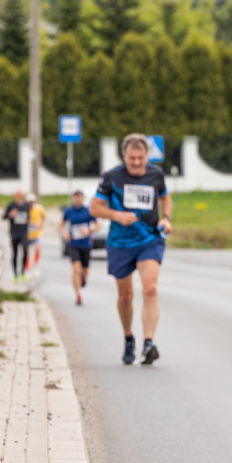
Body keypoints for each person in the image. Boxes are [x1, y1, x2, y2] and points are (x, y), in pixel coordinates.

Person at [88, 133, 172, 365]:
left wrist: (166, 218)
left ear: (147, 156)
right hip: (120, 243)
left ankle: (148, 343)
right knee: (125, 296)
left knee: (151, 289)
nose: (136, 163)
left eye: (141, 158)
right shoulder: (112, 178)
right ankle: (128, 339)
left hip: (149, 240)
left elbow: (166, 198)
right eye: (132, 159)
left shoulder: (156, 174)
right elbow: (94, 208)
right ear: (124, 156)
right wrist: (118, 216)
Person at [59, 189, 98, 306]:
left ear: (83, 198)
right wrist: (64, 233)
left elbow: (98, 224)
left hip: (85, 244)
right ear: (73, 198)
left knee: (85, 270)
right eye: (75, 197)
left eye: (80, 197)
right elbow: (61, 225)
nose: (77, 199)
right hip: (73, 244)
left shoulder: (88, 211)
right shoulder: (68, 211)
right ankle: (78, 295)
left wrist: (89, 230)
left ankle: (83, 277)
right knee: (76, 269)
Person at [2, 189, 32, 283]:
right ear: (15, 195)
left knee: (25, 251)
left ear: (22, 195)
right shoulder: (11, 205)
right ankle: (15, 274)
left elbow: (29, 217)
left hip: (24, 233)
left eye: (21, 194)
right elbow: (4, 217)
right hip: (14, 233)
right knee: (15, 254)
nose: (19, 196)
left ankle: (23, 272)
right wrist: (11, 214)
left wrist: (29, 221)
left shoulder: (26, 206)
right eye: (17, 194)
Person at [25, 192, 46, 274]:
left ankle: (35, 265)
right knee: (26, 252)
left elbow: (44, 217)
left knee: (37, 249)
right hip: (27, 234)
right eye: (29, 202)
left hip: (36, 233)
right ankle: (26, 267)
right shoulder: (24, 209)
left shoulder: (39, 209)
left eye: (32, 202)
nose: (30, 204)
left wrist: (41, 224)